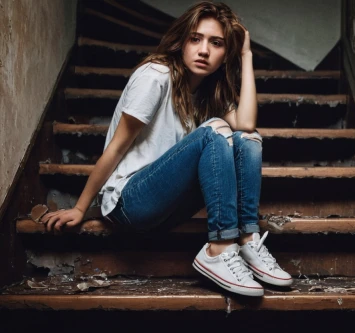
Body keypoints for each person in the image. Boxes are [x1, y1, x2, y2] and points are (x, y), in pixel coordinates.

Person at [41, 2, 292, 297]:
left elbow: (247, 123)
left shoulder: (210, 93)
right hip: (130, 203)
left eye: (216, 43)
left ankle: (247, 239)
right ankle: (219, 248)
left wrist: (247, 55)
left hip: (166, 205)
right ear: (181, 41)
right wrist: (81, 207)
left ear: (226, 55)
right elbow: (116, 147)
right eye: (195, 39)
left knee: (247, 140)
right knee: (214, 131)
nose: (203, 50)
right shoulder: (155, 77)